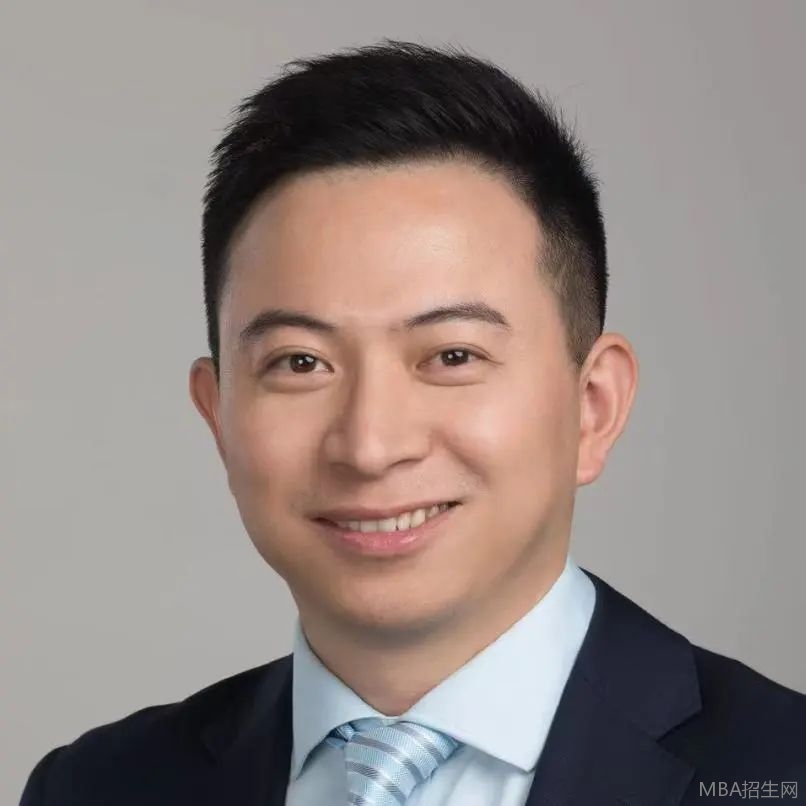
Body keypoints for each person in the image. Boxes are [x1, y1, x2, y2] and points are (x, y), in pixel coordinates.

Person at [20, 39, 805, 806]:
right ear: (218, 415)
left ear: (593, 406)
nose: (371, 446)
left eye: (452, 356)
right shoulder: (94, 788)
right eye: (301, 363)